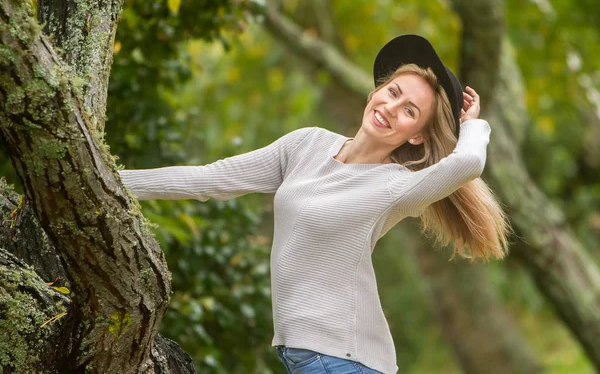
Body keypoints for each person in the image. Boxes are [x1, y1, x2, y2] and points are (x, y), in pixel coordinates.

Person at [118, 34, 511, 374]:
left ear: (417, 137)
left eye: (410, 111)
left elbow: (469, 163)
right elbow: (210, 179)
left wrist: (475, 124)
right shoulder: (306, 145)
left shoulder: (396, 187)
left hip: (343, 359)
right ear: (376, 91)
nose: (391, 108)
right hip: (310, 357)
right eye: (393, 93)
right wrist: (114, 182)